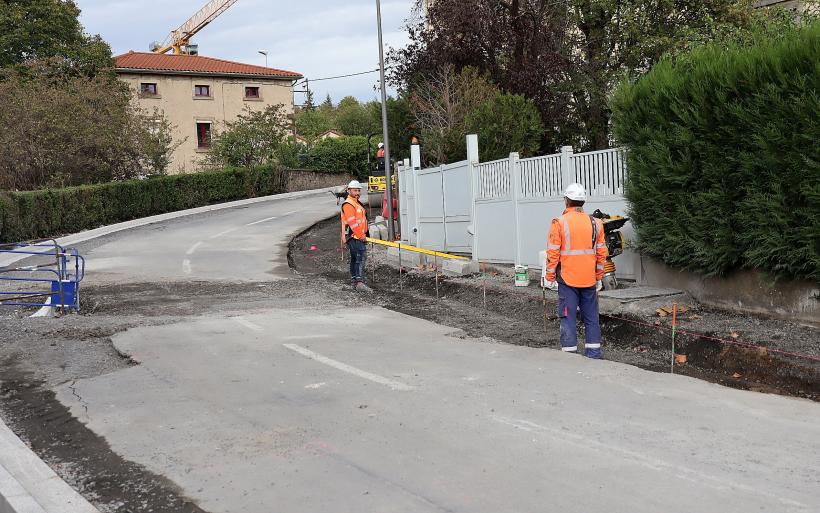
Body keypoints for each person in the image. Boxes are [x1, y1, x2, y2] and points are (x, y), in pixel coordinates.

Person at [544, 183, 607, 358]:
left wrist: (549, 275)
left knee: (568, 316)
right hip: (589, 279)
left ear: (566, 200)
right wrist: (598, 276)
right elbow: (602, 252)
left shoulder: (559, 222)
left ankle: (570, 354)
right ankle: (594, 352)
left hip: (568, 279)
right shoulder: (596, 223)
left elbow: (553, 251)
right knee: (591, 318)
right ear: (582, 202)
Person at [340, 180, 371, 291]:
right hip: (355, 236)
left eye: (359, 190)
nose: (357, 192)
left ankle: (355, 280)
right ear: (349, 191)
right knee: (360, 257)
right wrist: (361, 235)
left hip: (357, 236)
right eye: (355, 190)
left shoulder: (356, 202)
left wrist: (365, 234)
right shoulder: (349, 204)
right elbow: (352, 223)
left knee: (355, 258)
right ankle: (359, 282)